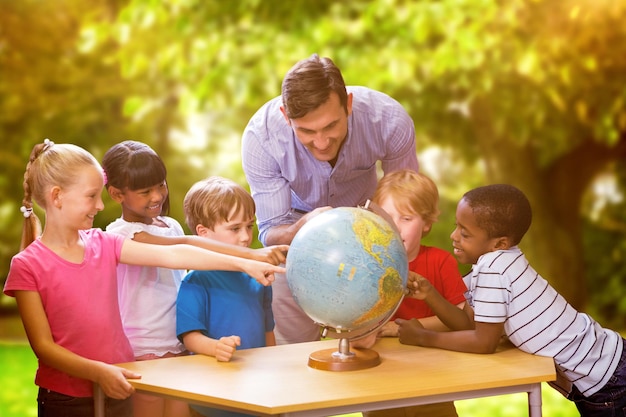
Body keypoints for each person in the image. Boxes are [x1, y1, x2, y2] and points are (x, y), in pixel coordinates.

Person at [3, 140, 285, 417]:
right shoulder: (28, 265)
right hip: (67, 398)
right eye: (92, 196)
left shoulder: (103, 243)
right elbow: (43, 348)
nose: (100, 206)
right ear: (57, 197)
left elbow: (179, 253)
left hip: (121, 381)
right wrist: (100, 372)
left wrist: (249, 260)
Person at [396, 184, 626, 417]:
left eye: (465, 233)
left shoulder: (494, 269)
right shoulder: (499, 262)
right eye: (457, 227)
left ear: (499, 243)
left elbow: (484, 343)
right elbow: (468, 322)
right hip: (607, 368)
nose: (453, 236)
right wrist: (430, 294)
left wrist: (425, 337)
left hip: (608, 381)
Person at [241, 53, 419, 344]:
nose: (321, 142)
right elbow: (271, 234)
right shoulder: (261, 138)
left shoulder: (388, 120)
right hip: (294, 238)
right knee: (293, 349)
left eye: (330, 126)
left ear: (348, 104)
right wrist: (304, 226)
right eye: (306, 131)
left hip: (366, 231)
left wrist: (392, 249)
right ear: (286, 116)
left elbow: (405, 200)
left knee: (369, 348)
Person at [101, 141, 286, 417]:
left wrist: (255, 257)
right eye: (145, 191)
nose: (157, 196)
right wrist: (252, 258)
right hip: (145, 348)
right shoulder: (120, 234)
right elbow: (187, 246)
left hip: (176, 342)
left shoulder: (169, 225)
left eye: (160, 185)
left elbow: (193, 244)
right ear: (116, 193)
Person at [356, 170, 466, 417]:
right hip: (380, 380)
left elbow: (460, 318)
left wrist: (401, 327)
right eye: (387, 217)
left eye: (406, 218)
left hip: (434, 379)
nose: (394, 226)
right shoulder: (364, 264)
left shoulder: (441, 262)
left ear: (426, 223)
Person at [176, 176, 275, 417]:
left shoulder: (259, 277)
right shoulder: (196, 280)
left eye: (249, 226)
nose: (245, 237)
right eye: (234, 228)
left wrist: (275, 371)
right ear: (203, 233)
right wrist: (216, 347)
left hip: (257, 393)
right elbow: (189, 337)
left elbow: (268, 332)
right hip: (211, 398)